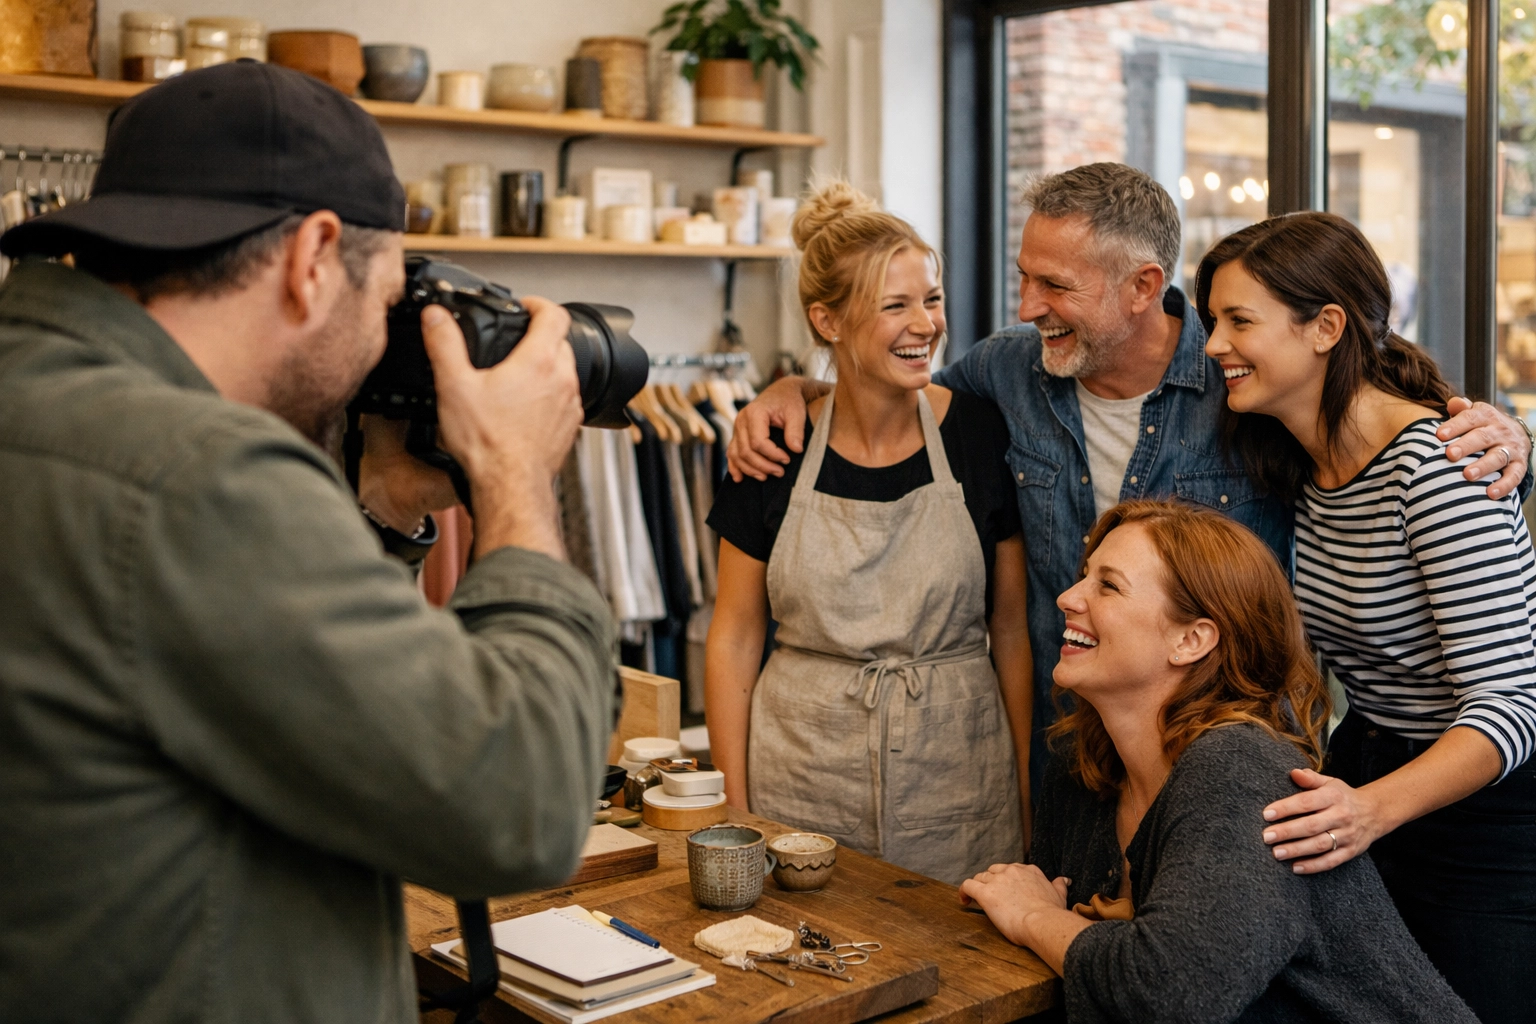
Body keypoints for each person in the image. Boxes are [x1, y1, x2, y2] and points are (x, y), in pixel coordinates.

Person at [0, 64, 615, 1023]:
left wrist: (385, 512)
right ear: (314, 255)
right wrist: (515, 477)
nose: (386, 336)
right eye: (387, 300)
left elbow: (255, 684)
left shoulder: (48, 403)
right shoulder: (192, 473)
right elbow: (520, 805)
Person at [726, 162, 1534, 791]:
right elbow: (894, 391)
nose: (1027, 303)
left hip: (1236, 769)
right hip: (1075, 758)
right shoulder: (1005, 372)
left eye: (1055, 285)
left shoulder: (1247, 379)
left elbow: (1374, 413)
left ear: (1145, 286)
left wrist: (1506, 436)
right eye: (1023, 275)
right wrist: (799, 389)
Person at [1198, 211, 1536, 1024]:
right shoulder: (1307, 466)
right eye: (1212, 320)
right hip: (1373, 774)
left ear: (1326, 328)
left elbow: (1513, 709)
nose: (1213, 345)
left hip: (1483, 819)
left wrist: (1369, 809)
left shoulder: (1438, 472)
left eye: (1238, 321)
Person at [959, 501, 1478, 1024]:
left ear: (1191, 640)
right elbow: (1074, 970)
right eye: (1083, 577)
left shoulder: (1238, 766)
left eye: (1108, 586)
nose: (1068, 598)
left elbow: (1173, 996)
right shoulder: (1082, 762)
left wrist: (1033, 916)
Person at [704, 182, 1029, 883]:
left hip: (959, 773)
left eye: (931, 299)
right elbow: (732, 638)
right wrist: (733, 808)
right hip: (801, 770)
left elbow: (1009, 631)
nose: (926, 324)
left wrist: (1031, 801)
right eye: (895, 306)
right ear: (828, 320)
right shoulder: (773, 450)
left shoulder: (978, 433)